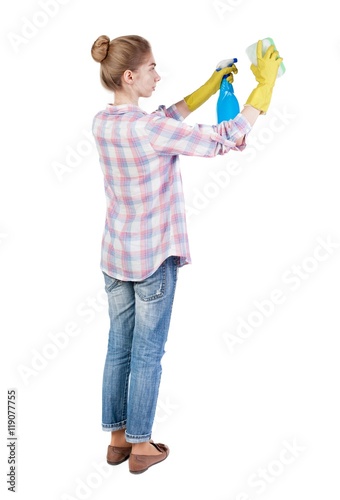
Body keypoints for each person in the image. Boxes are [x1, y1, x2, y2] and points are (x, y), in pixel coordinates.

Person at [91, 34, 282, 474]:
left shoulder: (103, 121)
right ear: (130, 76)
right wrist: (263, 90)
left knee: (118, 348)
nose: (159, 74)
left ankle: (117, 441)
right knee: (146, 354)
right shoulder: (150, 130)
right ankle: (141, 448)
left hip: (116, 256)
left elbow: (163, 120)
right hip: (154, 258)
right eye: (153, 68)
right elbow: (224, 139)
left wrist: (210, 87)